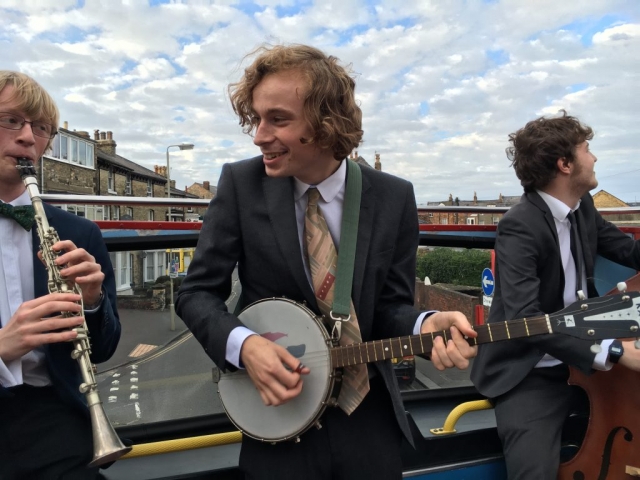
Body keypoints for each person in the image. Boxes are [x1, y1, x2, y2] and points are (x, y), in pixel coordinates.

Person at [176, 44, 477, 480]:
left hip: (368, 422)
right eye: (256, 119)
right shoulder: (242, 185)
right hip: (277, 420)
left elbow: (389, 305)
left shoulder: (393, 197)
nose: (260, 135)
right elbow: (196, 293)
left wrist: (424, 324)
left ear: (325, 122)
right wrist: (245, 347)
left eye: (278, 119)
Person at [471, 111, 640, 479]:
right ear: (564, 164)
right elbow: (524, 319)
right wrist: (612, 350)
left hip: (583, 362)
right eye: (586, 149)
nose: (594, 158)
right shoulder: (520, 225)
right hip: (532, 370)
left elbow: (628, 252)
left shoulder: (583, 208)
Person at [0, 71, 121, 479]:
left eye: (41, 129)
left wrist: (91, 302)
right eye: (10, 120)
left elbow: (104, 348)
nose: (28, 138)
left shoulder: (79, 232)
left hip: (54, 415)